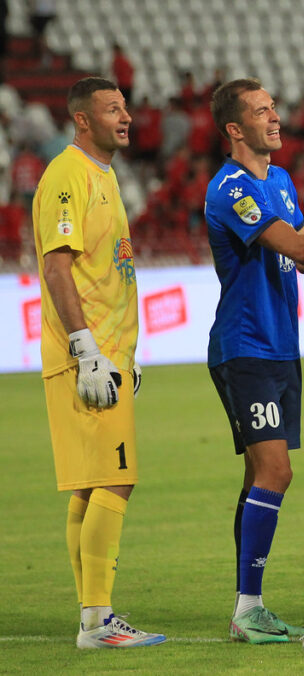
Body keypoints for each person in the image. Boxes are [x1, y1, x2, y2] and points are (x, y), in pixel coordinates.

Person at [32, 76, 164, 649]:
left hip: (106, 356)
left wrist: (122, 353)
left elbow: (106, 272)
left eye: (125, 107)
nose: (126, 116)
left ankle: (93, 619)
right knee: (116, 479)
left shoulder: (104, 175)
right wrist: (87, 349)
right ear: (82, 120)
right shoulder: (68, 174)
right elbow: (58, 268)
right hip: (85, 356)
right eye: (112, 109)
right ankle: (98, 619)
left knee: (89, 487)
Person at [204, 78, 304, 643]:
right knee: (276, 471)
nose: (275, 118)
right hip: (245, 345)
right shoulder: (231, 187)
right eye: (261, 111)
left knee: (260, 474)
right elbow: (301, 245)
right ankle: (248, 606)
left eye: (275, 108)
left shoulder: (279, 179)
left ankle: (245, 607)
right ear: (235, 129)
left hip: (279, 345)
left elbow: (301, 254)